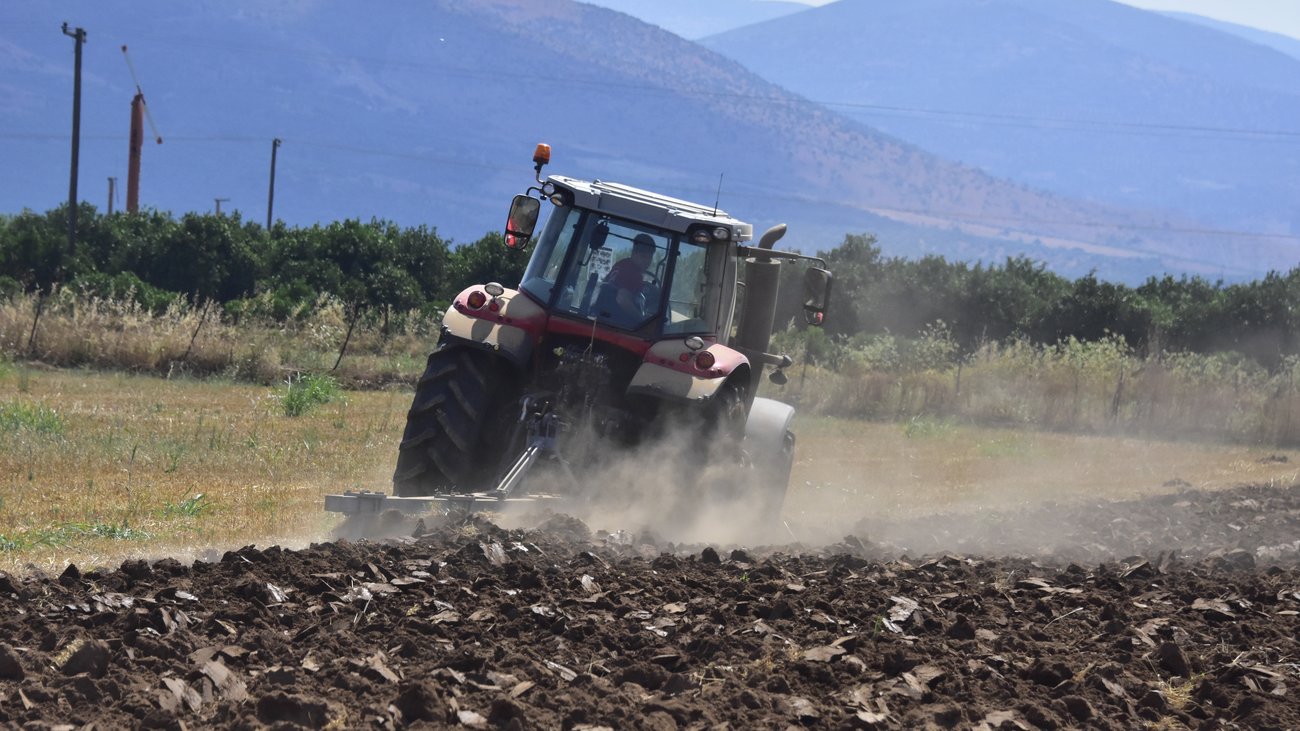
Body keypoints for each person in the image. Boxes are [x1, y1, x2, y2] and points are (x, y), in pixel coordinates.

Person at [604, 233, 655, 320]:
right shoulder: (632, 272)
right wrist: (641, 320)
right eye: (643, 256)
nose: (646, 261)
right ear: (634, 253)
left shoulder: (621, 264)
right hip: (616, 320)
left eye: (649, 257)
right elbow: (622, 300)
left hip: (604, 315)